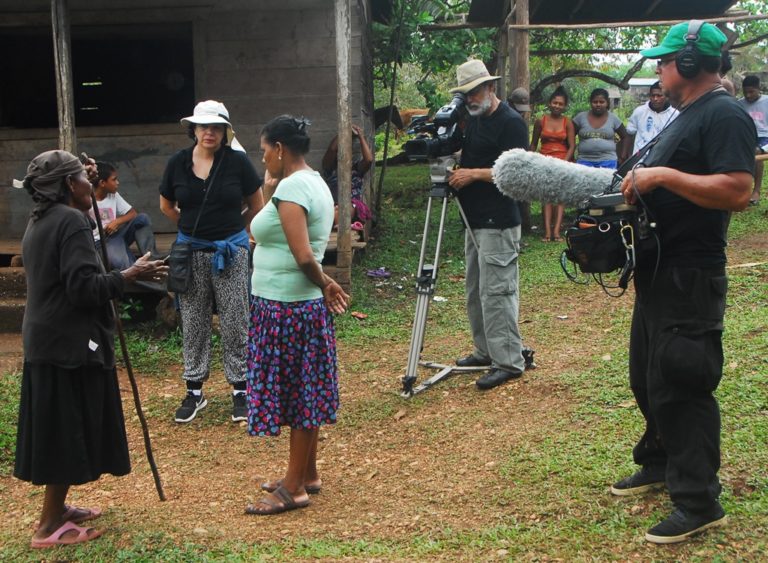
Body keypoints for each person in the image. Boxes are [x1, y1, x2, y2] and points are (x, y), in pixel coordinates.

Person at [615, 21, 755, 544]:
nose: (658, 69)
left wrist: (662, 177)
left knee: (681, 380)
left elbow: (739, 189)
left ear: (691, 65)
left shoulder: (724, 114)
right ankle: (659, 462)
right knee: (647, 377)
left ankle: (699, 501)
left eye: (665, 60)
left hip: (690, 273)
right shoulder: (686, 114)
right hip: (659, 268)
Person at [14, 150, 166, 549]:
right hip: (67, 341)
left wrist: (84, 181)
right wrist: (129, 274)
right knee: (66, 431)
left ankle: (58, 510)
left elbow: (74, 275)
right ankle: (47, 527)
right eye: (84, 178)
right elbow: (83, 288)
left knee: (63, 426)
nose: (92, 183)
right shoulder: (70, 221)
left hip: (48, 338)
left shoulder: (43, 218)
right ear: (68, 185)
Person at [244, 115, 349, 515]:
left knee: (299, 394)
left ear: (280, 149)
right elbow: (265, 233)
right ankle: (307, 473)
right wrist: (270, 192)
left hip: (287, 307)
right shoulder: (311, 182)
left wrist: (324, 282)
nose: (264, 157)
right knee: (305, 389)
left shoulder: (293, 187)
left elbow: (303, 254)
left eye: (264, 150)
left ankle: (293, 488)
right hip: (292, 305)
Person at [159, 100, 264, 423]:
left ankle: (241, 390)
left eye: (216, 126)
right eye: (203, 126)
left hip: (231, 252)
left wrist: (238, 235)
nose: (209, 132)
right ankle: (194, 391)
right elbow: (167, 206)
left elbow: (257, 204)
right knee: (193, 320)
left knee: (236, 319)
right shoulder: (178, 163)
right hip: (191, 252)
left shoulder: (237, 163)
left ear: (225, 131)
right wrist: (192, 231)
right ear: (193, 130)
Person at [446, 59, 529, 390]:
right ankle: (485, 349)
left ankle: (508, 360)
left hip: (499, 221)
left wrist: (473, 174)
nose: (470, 98)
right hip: (475, 219)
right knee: (476, 291)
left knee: (497, 292)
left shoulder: (510, 123)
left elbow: (517, 173)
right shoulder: (475, 120)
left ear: (491, 87)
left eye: (475, 91)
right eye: (466, 94)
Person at [90, 161, 159, 269]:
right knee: (124, 265)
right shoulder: (87, 199)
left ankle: (151, 257)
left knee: (142, 219)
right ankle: (141, 277)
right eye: (114, 179)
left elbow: (132, 214)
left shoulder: (113, 195)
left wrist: (116, 222)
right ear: (102, 183)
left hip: (116, 236)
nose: (117, 182)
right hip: (101, 243)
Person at [530, 85, 575, 242]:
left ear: (564, 106)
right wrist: (532, 161)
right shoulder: (540, 121)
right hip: (544, 162)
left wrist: (564, 163)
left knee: (559, 197)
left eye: (560, 104)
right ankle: (547, 232)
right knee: (546, 197)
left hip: (562, 162)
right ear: (549, 103)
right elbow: (533, 144)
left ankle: (557, 232)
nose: (557, 106)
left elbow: (572, 146)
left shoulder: (567, 122)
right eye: (555, 103)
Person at [321, 123, 373, 228]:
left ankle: (340, 226)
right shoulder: (330, 171)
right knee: (335, 209)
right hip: (334, 206)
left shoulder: (356, 170)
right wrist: (344, 131)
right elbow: (332, 149)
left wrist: (360, 137)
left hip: (352, 207)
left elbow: (368, 160)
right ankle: (338, 225)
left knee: (346, 207)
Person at [573, 88, 629, 169]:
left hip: (608, 161)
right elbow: (569, 137)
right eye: (595, 102)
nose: (598, 104)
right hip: (584, 161)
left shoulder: (613, 118)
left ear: (607, 103)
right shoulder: (580, 117)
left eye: (602, 102)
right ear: (590, 103)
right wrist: (572, 157)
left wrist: (622, 157)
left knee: (607, 182)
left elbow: (625, 137)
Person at [626, 81, 679, 155]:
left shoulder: (675, 115)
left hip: (662, 159)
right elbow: (629, 133)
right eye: (652, 95)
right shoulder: (640, 111)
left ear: (667, 97)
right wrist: (624, 154)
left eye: (659, 95)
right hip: (640, 160)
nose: (655, 99)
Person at [738, 75, 768, 204]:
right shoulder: (740, 104)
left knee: (755, 152)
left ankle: (756, 191)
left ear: (759, 88)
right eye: (745, 92)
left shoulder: (766, 101)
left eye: (751, 92)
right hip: (748, 136)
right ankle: (740, 189)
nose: (748, 96)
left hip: (765, 137)